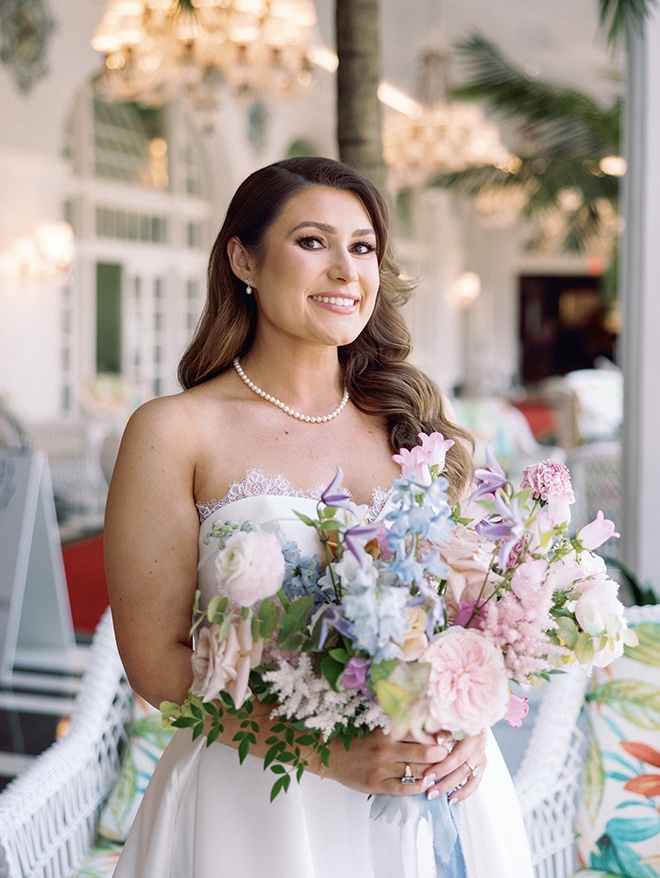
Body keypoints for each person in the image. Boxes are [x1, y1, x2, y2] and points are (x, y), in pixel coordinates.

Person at [105, 156, 534, 877]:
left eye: (362, 247)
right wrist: (321, 752)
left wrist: (471, 719)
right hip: (253, 810)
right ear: (243, 257)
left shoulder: (418, 422)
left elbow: (471, 617)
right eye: (313, 242)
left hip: (439, 796)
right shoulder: (174, 431)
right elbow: (156, 662)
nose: (345, 270)